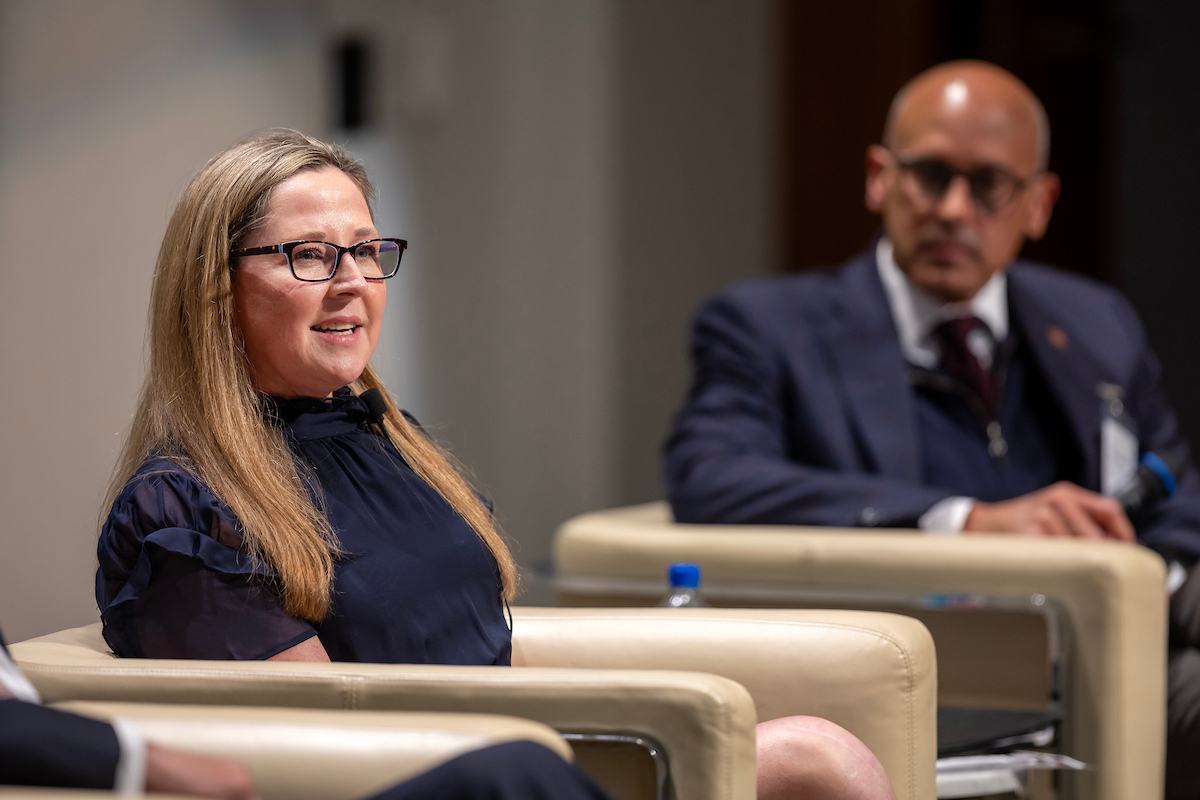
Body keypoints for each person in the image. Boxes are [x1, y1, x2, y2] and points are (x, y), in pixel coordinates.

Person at [93, 129, 895, 800]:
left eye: (368, 252)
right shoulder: (185, 513)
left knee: (819, 751)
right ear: (215, 289)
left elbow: (483, 659)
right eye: (310, 255)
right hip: (419, 784)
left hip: (509, 766)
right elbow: (318, 740)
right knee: (811, 759)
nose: (352, 285)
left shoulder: (387, 440)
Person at [664, 60, 1200, 798]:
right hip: (927, 672)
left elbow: (1174, 487)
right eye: (929, 175)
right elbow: (711, 476)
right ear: (879, 178)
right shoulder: (769, 328)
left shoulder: (1094, 321)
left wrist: (1139, 580)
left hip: (1106, 655)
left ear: (1038, 204)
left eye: (988, 186)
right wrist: (967, 521)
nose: (952, 210)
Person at [1, 627, 603, 799]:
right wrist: (138, 759)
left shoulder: (393, 444)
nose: (343, 307)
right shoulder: (189, 496)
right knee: (516, 776)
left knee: (515, 773)